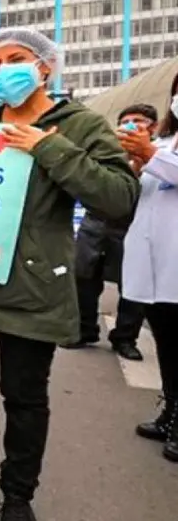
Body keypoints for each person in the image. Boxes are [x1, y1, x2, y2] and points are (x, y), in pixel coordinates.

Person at [0, 28, 139, 520]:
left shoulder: (77, 126)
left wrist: (48, 148)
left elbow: (119, 197)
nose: (2, 70)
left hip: (31, 281)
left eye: (15, 59)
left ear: (45, 67)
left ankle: (18, 496)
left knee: (23, 396)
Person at [119, 72, 178, 463]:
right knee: (168, 345)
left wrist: (152, 155)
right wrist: (139, 161)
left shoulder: (162, 150)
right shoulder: (166, 143)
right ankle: (171, 411)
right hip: (155, 261)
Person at [66, 104, 156, 359]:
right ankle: (85, 330)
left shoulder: (159, 152)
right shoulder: (107, 151)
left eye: (138, 121)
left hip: (133, 227)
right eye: (125, 121)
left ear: (153, 127)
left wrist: (141, 159)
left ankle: (125, 338)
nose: (130, 125)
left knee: (133, 287)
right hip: (95, 224)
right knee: (83, 278)